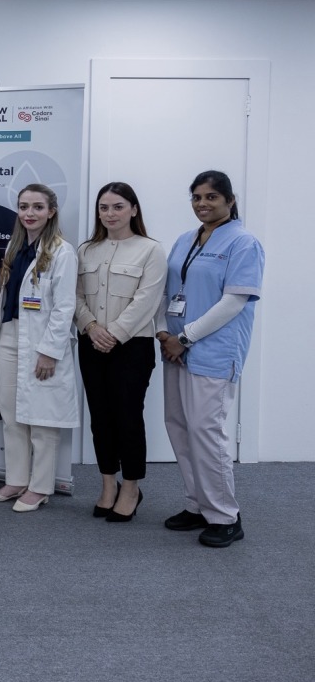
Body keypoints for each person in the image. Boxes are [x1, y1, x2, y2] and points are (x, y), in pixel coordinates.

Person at [158, 170, 263, 548]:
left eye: (211, 197)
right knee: (179, 426)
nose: (203, 204)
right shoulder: (186, 240)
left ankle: (225, 515)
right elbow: (168, 290)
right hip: (174, 349)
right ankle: (197, 504)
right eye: (197, 197)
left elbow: (233, 302)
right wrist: (164, 333)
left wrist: (185, 337)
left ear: (229, 201)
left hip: (212, 351)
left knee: (207, 432)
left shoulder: (243, 242)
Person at [0, 184, 78, 512]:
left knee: (41, 418)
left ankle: (40, 487)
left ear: (51, 211)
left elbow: (65, 307)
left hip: (41, 341)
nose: (29, 213)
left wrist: (50, 351)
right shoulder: (15, 245)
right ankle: (16, 480)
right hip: (10, 336)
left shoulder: (62, 251)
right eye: (24, 207)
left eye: (38, 207)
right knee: (11, 415)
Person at [75, 182, 166, 522]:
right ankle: (107, 484)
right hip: (91, 342)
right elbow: (75, 295)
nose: (109, 214)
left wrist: (112, 334)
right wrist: (91, 327)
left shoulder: (150, 250)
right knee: (100, 418)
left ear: (133, 209)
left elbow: (148, 300)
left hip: (132, 348)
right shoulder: (86, 250)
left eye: (117, 206)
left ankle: (131, 487)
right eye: (103, 207)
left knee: (128, 417)